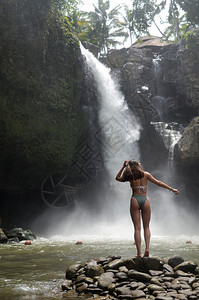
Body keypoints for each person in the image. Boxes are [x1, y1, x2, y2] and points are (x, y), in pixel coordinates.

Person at [115, 159, 179, 257]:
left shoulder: (130, 176)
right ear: (138, 165)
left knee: (137, 228)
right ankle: (147, 249)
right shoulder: (146, 174)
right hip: (145, 199)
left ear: (130, 167)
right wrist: (171, 189)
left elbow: (117, 178)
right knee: (147, 227)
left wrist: (123, 166)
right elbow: (159, 182)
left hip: (135, 199)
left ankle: (139, 253)